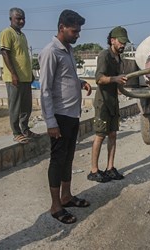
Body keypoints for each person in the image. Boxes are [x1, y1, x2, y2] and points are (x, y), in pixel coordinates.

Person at [39, 9, 92, 224]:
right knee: (57, 160)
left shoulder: (67, 50)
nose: (78, 35)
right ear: (62, 28)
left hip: (72, 115)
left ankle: (67, 196)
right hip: (59, 117)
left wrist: (80, 83)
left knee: (69, 158)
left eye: (79, 31)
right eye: (74, 31)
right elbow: (44, 90)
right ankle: (55, 206)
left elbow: (65, 79)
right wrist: (50, 122)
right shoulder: (50, 51)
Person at [87, 26, 129, 183]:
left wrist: (120, 86)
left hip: (113, 102)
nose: (123, 45)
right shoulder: (104, 55)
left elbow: (118, 82)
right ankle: (94, 170)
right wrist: (115, 79)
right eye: (121, 42)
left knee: (112, 134)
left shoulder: (119, 58)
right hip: (103, 102)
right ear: (112, 40)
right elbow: (99, 78)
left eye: (124, 42)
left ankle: (110, 168)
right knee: (100, 135)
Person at [0, 7, 38, 144]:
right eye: (18, 18)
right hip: (14, 78)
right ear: (11, 19)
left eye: (23, 18)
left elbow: (23, 57)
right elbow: (5, 53)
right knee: (15, 106)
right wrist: (14, 74)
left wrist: (30, 74)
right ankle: (16, 132)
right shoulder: (7, 33)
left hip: (26, 77)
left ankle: (25, 129)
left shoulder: (22, 35)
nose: (21, 21)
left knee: (26, 106)